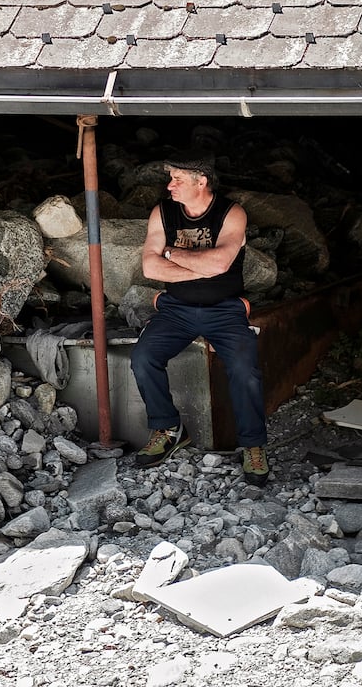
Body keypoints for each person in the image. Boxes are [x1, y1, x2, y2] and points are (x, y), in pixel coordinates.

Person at [130, 152, 269, 486]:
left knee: (244, 370)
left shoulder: (231, 213)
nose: (170, 185)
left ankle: (253, 445)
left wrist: (172, 254)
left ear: (201, 181)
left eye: (178, 179)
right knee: (143, 357)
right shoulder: (162, 212)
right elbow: (150, 268)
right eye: (171, 178)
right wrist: (200, 266)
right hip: (176, 309)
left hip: (225, 309)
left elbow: (221, 265)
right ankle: (168, 428)